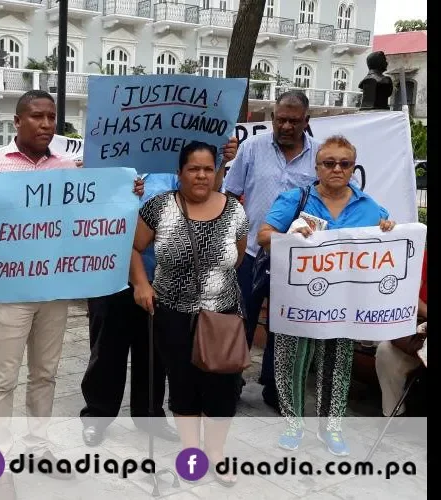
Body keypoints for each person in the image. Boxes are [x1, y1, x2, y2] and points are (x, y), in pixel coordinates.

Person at [0, 90, 143, 500]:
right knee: (2, 377)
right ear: (17, 121)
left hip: (56, 288)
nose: (46, 124)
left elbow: (94, 217)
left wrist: (127, 196)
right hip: (11, 289)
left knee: (46, 373)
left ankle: (38, 447)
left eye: (52, 117)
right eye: (37, 116)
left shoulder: (69, 167)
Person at [79, 137, 239, 447]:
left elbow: (205, 199)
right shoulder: (106, 164)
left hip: (161, 278)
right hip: (110, 274)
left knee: (154, 353)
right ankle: (97, 416)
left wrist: (222, 164)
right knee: (106, 350)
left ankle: (149, 415)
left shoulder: (172, 171)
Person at [257, 135, 396, 456]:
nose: (337, 169)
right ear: (317, 167)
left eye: (344, 164)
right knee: (292, 364)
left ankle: (330, 428)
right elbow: (264, 236)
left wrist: (388, 229)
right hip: (298, 303)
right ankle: (293, 425)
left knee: (338, 365)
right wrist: (288, 234)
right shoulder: (296, 198)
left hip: (343, 305)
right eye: (329, 163)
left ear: (353, 168)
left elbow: (386, 239)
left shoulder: (370, 206)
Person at [130, 141, 248, 486]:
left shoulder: (235, 210)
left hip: (222, 315)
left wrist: (211, 285)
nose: (200, 175)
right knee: (182, 383)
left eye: (207, 169)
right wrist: (141, 283)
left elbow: (238, 257)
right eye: (193, 168)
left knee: (223, 386)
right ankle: (192, 450)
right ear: (179, 173)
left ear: (216, 172)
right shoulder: (159, 207)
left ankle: (216, 453)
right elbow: (134, 248)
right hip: (172, 313)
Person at [223, 91, 319, 411]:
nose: (286, 125)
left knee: (284, 325)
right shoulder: (251, 149)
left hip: (295, 261)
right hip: (250, 253)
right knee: (240, 321)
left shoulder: (318, 157)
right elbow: (230, 195)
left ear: (306, 121)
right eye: (281, 119)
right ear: (273, 118)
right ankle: (231, 382)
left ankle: (274, 388)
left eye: (294, 120)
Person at [375, 250, 427, 417]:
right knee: (386, 351)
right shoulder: (424, 256)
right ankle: (394, 416)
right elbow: (411, 297)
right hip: (420, 329)